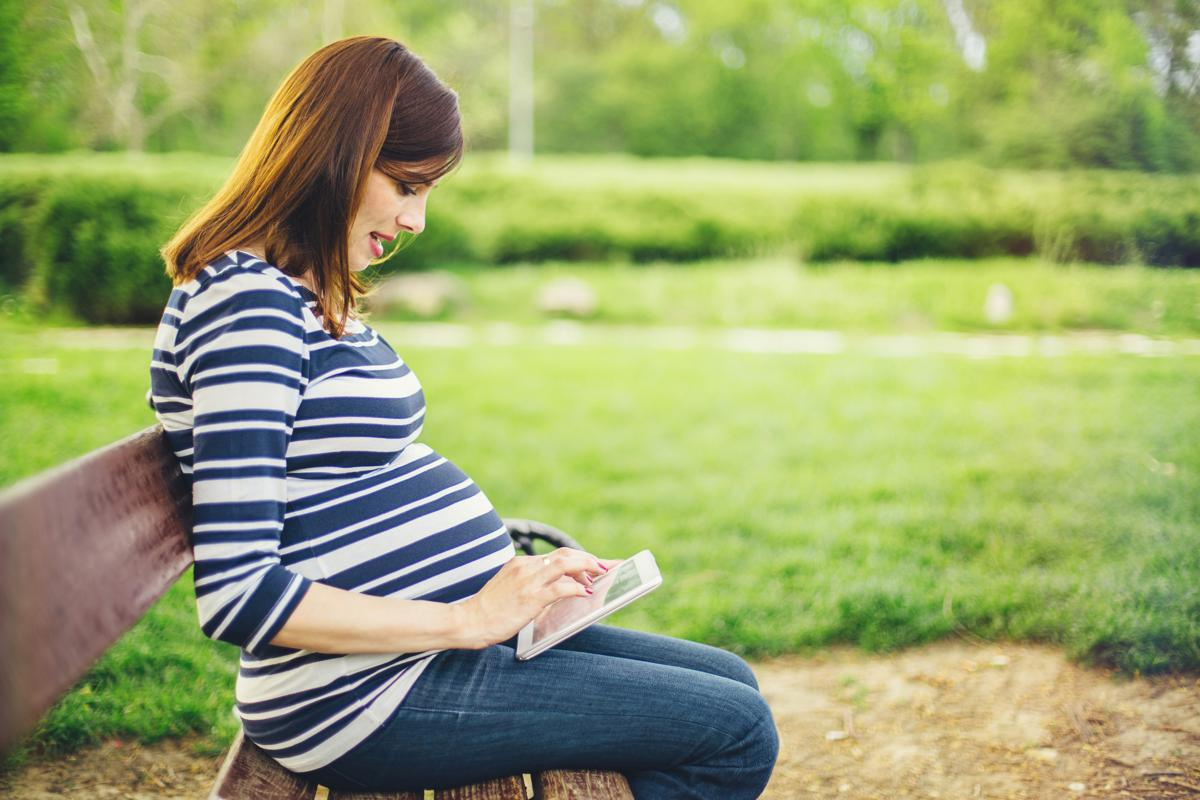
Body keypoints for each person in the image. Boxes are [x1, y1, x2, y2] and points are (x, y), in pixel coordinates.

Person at [148, 35, 778, 798]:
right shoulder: (249, 306)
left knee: (730, 681)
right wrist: (469, 618)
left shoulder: (298, 295)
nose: (416, 220)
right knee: (734, 732)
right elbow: (240, 593)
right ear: (335, 155)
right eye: (407, 185)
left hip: (410, 661)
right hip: (358, 699)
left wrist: (506, 582)